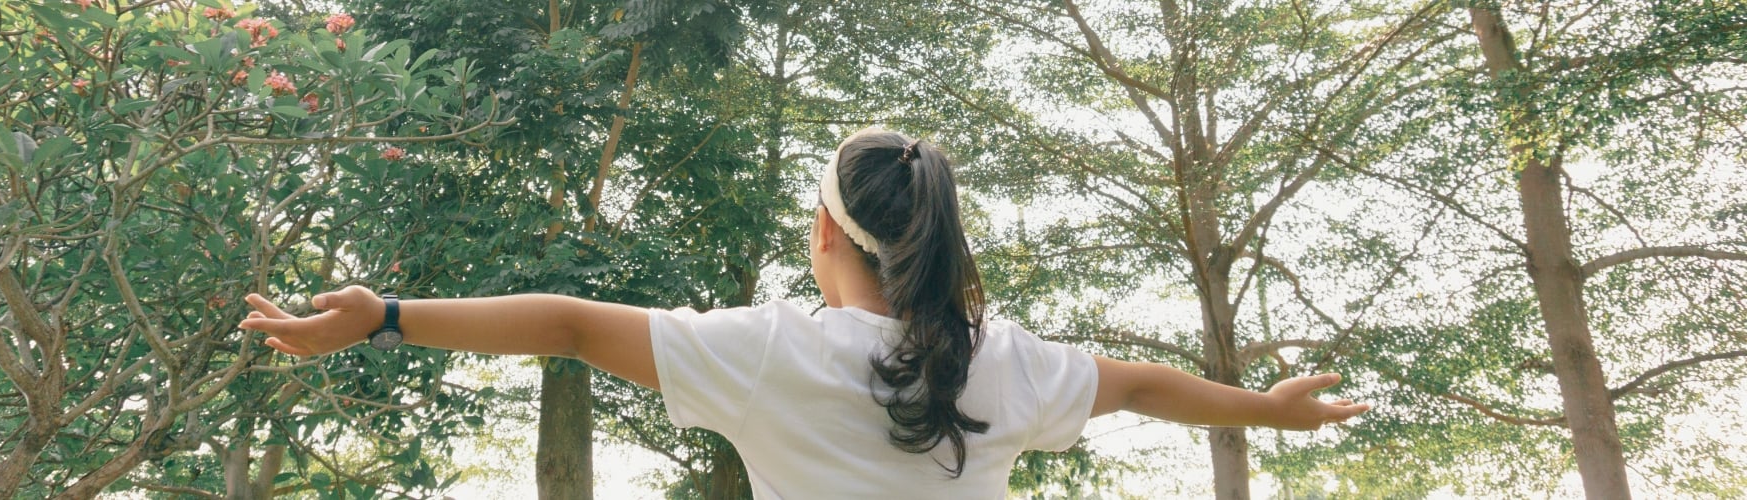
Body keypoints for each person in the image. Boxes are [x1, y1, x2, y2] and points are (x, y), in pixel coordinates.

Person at [238, 128, 1371, 498]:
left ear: (824, 231)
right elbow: (1144, 384)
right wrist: (1270, 411)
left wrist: (385, 312)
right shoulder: (1010, 364)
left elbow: (571, 322)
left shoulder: (774, 350)